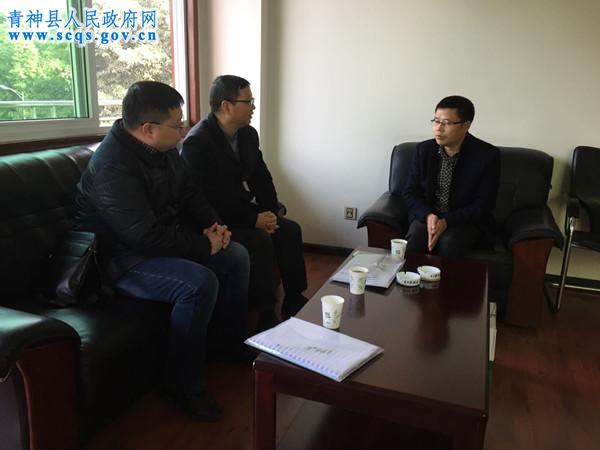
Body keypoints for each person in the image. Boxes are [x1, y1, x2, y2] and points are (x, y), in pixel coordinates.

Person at [74, 81, 250, 422]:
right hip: (115, 259)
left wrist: (215, 226)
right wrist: (204, 244)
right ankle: (182, 385)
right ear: (148, 129)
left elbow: (190, 193)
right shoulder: (112, 166)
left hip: (154, 242)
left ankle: (228, 342)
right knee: (198, 283)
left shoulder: (163, 149)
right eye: (177, 124)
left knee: (236, 256)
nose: (183, 130)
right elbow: (143, 237)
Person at [181, 75, 308, 326]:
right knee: (258, 239)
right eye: (248, 101)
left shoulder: (248, 134)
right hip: (214, 218)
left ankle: (294, 298)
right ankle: (266, 312)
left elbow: (261, 177)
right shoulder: (198, 142)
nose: (253, 107)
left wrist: (270, 214)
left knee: (289, 229)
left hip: (239, 208)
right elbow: (208, 198)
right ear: (226, 105)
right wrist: (253, 220)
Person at [402, 95, 500, 257]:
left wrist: (447, 221)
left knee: (450, 242)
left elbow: (484, 204)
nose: (438, 128)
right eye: (436, 121)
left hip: (464, 221)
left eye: (446, 123)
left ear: (466, 125)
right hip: (428, 216)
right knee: (416, 237)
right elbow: (410, 191)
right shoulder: (424, 150)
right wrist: (428, 215)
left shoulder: (487, 156)